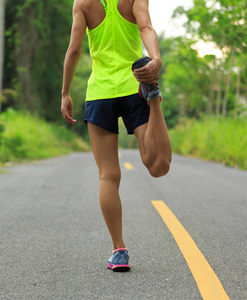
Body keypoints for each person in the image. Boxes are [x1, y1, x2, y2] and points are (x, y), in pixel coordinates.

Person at [61, 0, 172, 272]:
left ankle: (119, 250)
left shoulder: (83, 3)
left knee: (108, 176)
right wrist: (155, 59)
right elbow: (145, 27)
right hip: (136, 86)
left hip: (100, 94)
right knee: (157, 166)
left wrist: (65, 93)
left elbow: (74, 50)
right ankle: (153, 97)